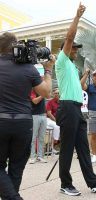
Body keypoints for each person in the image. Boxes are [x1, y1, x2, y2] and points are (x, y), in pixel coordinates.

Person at [55, 3, 96, 196]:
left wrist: (85, 74)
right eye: (73, 48)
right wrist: (77, 17)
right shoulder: (62, 60)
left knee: (84, 148)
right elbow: (69, 37)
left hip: (76, 109)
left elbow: (77, 87)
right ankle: (65, 184)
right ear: (66, 49)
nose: (76, 50)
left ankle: (93, 181)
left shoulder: (71, 65)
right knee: (67, 149)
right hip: (67, 108)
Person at [0, 32, 54, 200]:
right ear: (16, 47)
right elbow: (46, 92)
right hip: (23, 123)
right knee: (16, 167)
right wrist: (48, 70)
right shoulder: (28, 68)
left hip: (1, 122)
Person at [29, 90, 48, 164]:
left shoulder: (42, 91)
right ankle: (32, 157)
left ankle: (40, 156)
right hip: (34, 115)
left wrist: (44, 93)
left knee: (41, 137)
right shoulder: (32, 91)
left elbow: (49, 95)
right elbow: (35, 101)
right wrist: (44, 94)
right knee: (33, 137)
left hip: (43, 115)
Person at [46, 88, 60, 153]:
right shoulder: (50, 102)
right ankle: (54, 143)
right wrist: (56, 120)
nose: (57, 94)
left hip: (59, 120)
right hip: (49, 119)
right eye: (55, 93)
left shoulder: (62, 102)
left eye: (58, 93)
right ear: (53, 94)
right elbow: (49, 114)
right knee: (56, 126)